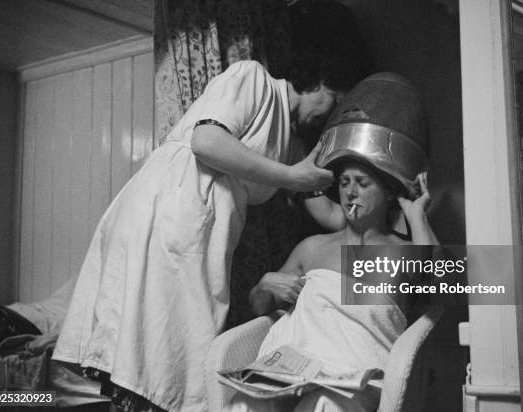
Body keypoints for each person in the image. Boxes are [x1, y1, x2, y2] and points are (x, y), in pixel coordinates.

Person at [52, 53, 363, 412]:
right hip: (176, 205)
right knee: (155, 344)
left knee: (169, 347)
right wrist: (293, 176)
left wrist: (405, 204)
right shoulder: (254, 79)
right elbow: (206, 141)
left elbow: (334, 216)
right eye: (335, 100)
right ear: (318, 80)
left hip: (204, 226)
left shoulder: (293, 144)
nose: (330, 113)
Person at [225, 159, 438, 412]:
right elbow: (259, 307)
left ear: (389, 192)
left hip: (354, 380)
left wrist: (416, 215)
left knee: (323, 405)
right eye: (344, 183)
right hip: (290, 371)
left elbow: (445, 282)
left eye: (362, 183)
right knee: (243, 402)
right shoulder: (312, 247)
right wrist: (265, 284)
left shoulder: (401, 253)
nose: (350, 192)